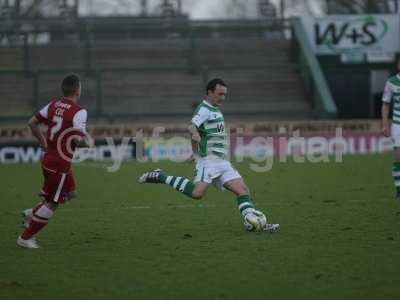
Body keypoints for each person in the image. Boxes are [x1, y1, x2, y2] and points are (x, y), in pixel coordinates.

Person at [139, 78, 279, 232]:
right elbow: (192, 126)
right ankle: (160, 176)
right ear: (209, 92)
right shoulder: (204, 109)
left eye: (225, 94)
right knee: (197, 193)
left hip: (222, 161)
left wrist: (194, 150)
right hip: (208, 161)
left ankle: (256, 223)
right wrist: (196, 138)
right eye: (219, 94)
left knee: (242, 190)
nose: (222, 98)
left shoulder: (215, 108)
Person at [17, 73, 88, 249]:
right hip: (60, 164)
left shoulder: (53, 105)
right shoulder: (79, 111)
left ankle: (30, 214)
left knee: (70, 192)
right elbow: (78, 139)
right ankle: (25, 238)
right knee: (53, 203)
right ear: (78, 90)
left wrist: (43, 143)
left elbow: (31, 123)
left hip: (48, 158)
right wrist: (86, 143)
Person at [382, 58, 400, 200]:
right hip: (398, 124)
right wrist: (384, 124)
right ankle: (399, 189)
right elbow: (386, 104)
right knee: (398, 158)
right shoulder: (391, 82)